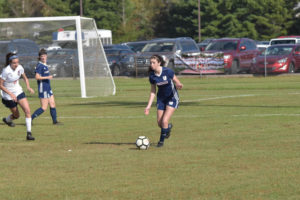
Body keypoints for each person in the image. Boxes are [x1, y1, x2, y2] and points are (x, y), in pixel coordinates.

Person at [144, 55, 183, 147]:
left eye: (153, 62)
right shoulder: (152, 76)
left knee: (164, 121)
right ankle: (167, 128)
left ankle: (161, 142)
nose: (151, 64)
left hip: (172, 97)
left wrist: (179, 85)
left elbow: (178, 82)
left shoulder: (167, 71)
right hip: (161, 99)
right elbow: (153, 92)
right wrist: (148, 106)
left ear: (159, 63)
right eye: (150, 63)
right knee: (160, 123)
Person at [0, 52, 35, 140]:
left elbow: (25, 78)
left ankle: (29, 134)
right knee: (16, 116)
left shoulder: (20, 67)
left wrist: (28, 87)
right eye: (14, 63)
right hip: (8, 96)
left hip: (18, 92)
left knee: (27, 111)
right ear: (10, 63)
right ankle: (7, 120)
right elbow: (0, 85)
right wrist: (11, 94)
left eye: (17, 62)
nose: (16, 64)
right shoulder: (6, 71)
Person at [31, 49, 61, 125]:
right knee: (44, 107)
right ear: (39, 57)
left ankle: (55, 121)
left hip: (48, 87)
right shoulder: (40, 65)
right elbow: (37, 77)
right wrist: (47, 77)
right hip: (43, 88)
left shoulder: (45, 64)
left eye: (44, 56)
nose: (43, 57)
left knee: (52, 104)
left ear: (46, 56)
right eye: (41, 56)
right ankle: (30, 118)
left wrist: (47, 77)